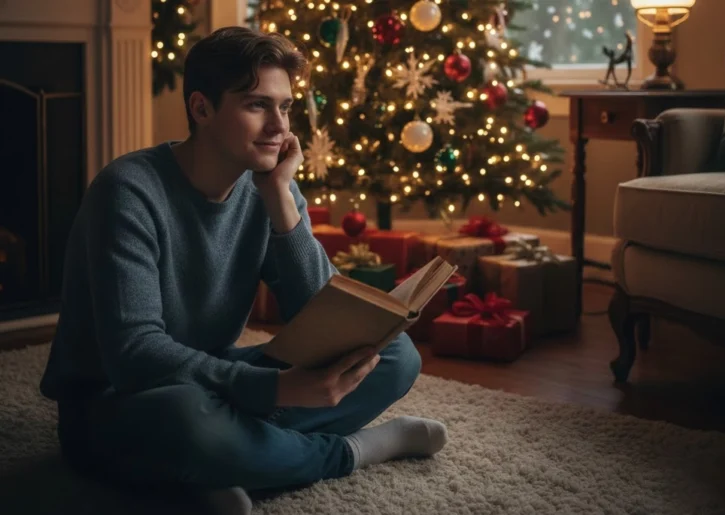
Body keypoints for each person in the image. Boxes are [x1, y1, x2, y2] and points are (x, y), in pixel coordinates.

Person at [39, 26, 447, 514]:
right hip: (116, 405)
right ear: (201, 108)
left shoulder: (269, 182)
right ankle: (353, 451)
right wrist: (273, 388)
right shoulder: (128, 191)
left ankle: (224, 461)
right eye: (257, 105)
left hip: (216, 381)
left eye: (286, 106)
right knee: (189, 421)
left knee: (392, 355)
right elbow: (134, 355)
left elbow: (321, 312)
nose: (280, 126)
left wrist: (279, 198)